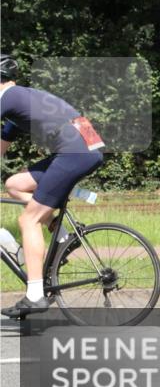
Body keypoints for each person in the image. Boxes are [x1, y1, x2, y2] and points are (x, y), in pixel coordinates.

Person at [0, 53, 105, 318]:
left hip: (74, 152)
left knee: (27, 221)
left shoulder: (9, 98)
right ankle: (61, 234)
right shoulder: (23, 99)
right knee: (14, 184)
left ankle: (35, 295)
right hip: (86, 146)